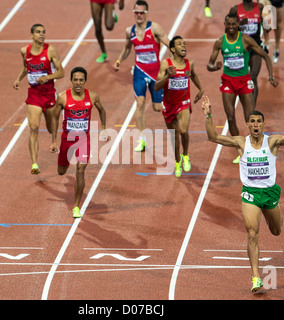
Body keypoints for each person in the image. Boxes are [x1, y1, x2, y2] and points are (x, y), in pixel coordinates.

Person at [200, 95, 284, 293]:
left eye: (259, 121)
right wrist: (208, 115)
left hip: (269, 193)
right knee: (251, 233)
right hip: (250, 193)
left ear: (264, 125)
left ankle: (267, 213)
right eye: (252, 121)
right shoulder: (241, 143)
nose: (256, 124)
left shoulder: (273, 142)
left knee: (276, 231)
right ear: (248, 125)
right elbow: (213, 137)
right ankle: (256, 277)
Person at [207, 13, 278, 163]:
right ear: (224, 24)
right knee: (231, 117)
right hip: (227, 82)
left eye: (234, 24)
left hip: (244, 81)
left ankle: (256, 148)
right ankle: (242, 152)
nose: (231, 27)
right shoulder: (220, 42)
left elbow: (264, 56)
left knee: (251, 118)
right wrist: (215, 67)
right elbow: (209, 64)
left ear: (238, 24)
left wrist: (271, 76)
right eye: (228, 24)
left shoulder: (245, 40)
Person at [50, 67, 110, 218]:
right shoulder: (63, 98)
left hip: (84, 139)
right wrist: (53, 141)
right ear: (71, 81)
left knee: (80, 170)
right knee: (61, 171)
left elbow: (102, 110)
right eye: (75, 80)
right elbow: (55, 118)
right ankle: (66, 168)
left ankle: (76, 206)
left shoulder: (93, 96)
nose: (78, 83)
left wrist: (103, 128)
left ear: (85, 81)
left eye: (81, 80)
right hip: (67, 140)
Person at [113, 0, 169, 152]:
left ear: (146, 14)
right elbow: (126, 49)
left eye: (141, 13)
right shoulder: (129, 31)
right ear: (133, 13)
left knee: (158, 108)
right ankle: (142, 139)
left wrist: (176, 59)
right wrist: (119, 60)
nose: (139, 15)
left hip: (156, 73)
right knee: (140, 103)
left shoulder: (155, 28)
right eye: (136, 12)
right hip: (139, 71)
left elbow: (169, 43)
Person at [13, 24, 64, 174]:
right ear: (32, 35)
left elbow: (61, 72)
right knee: (33, 127)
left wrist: (47, 77)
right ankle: (34, 164)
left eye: (43, 32)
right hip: (34, 94)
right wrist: (18, 79)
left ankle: (54, 140)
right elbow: (25, 67)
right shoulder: (25, 51)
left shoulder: (50, 50)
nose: (41, 35)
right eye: (38, 32)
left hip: (48, 93)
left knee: (50, 127)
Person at [154, 36, 204, 177]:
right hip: (169, 105)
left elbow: (192, 75)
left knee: (183, 130)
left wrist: (200, 89)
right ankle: (177, 162)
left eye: (184, 44)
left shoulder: (190, 63)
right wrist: (167, 77)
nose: (183, 46)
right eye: (179, 44)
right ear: (173, 49)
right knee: (174, 136)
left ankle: (186, 154)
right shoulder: (166, 64)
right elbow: (157, 87)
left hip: (184, 103)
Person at [229, 0, 268, 106]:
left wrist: (267, 23)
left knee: (253, 77)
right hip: (241, 49)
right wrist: (239, 24)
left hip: (255, 47)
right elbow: (227, 28)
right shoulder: (235, 9)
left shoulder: (260, 7)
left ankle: (252, 109)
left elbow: (266, 27)